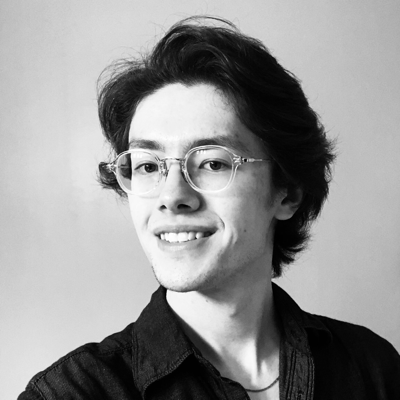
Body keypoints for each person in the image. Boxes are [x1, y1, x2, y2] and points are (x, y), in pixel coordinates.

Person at [18, 16, 400, 400]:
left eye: (213, 163)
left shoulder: (372, 368)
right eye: (148, 166)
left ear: (287, 193)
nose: (171, 196)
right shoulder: (73, 392)